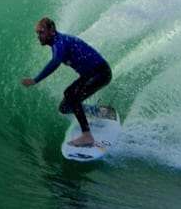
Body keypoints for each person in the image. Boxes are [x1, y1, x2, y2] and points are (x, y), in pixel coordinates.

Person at [20, 17, 112, 147]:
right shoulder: (58, 42)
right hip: (92, 74)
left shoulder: (59, 41)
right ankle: (97, 111)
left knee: (71, 94)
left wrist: (35, 80)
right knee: (65, 107)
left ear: (51, 30)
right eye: (37, 32)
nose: (38, 36)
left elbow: (56, 61)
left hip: (101, 72)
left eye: (41, 32)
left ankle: (87, 135)